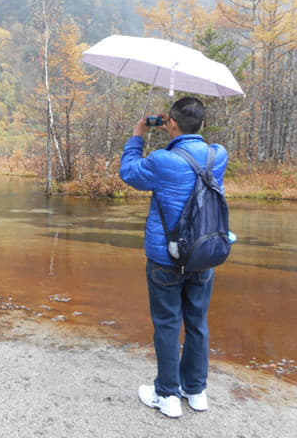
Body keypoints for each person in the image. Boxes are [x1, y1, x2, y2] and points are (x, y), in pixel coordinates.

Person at [119, 96, 228, 418]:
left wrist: (139, 133)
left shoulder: (162, 160)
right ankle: (196, 392)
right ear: (203, 124)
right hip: (204, 253)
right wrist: (178, 129)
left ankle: (166, 395)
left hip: (166, 256)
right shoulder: (218, 155)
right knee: (197, 323)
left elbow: (128, 172)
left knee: (167, 324)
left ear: (172, 124)